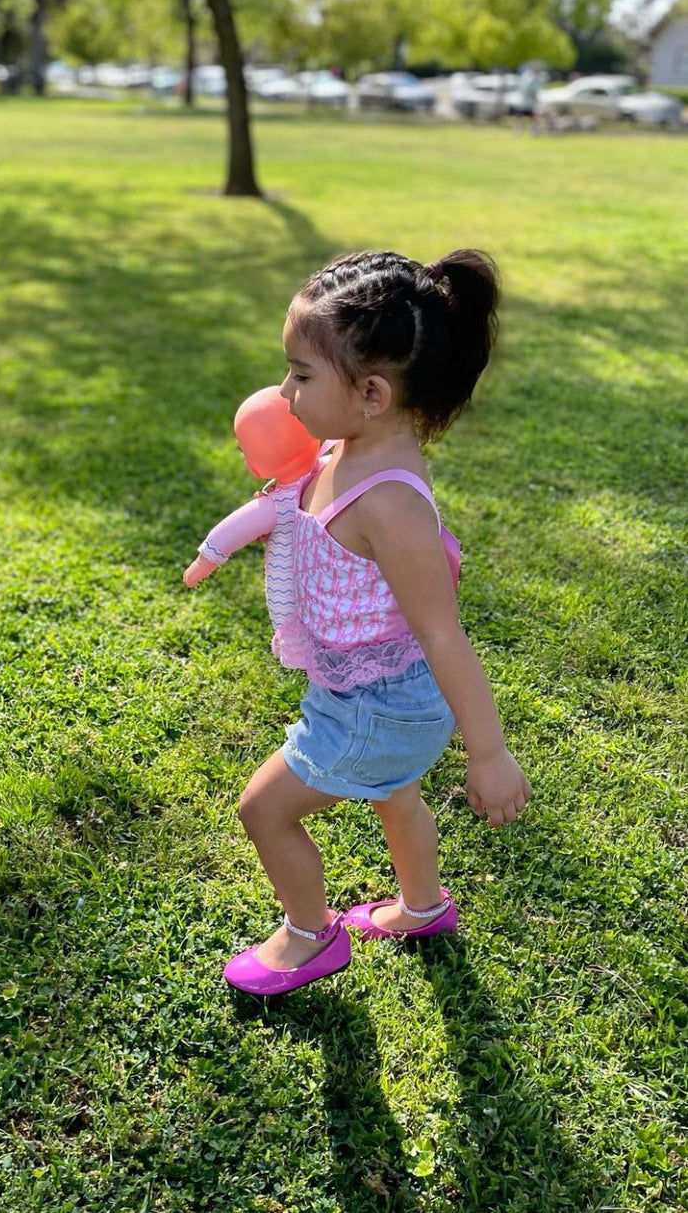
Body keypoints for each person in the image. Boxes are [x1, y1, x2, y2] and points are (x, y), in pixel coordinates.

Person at [215, 249, 532, 995]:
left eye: (300, 373)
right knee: (397, 797)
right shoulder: (342, 445)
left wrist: (488, 754)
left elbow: (443, 633)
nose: (283, 390)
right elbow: (306, 514)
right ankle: (422, 908)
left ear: (372, 392)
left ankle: (308, 936)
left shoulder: (390, 502)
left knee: (263, 810)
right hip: (371, 690)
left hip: (379, 706)